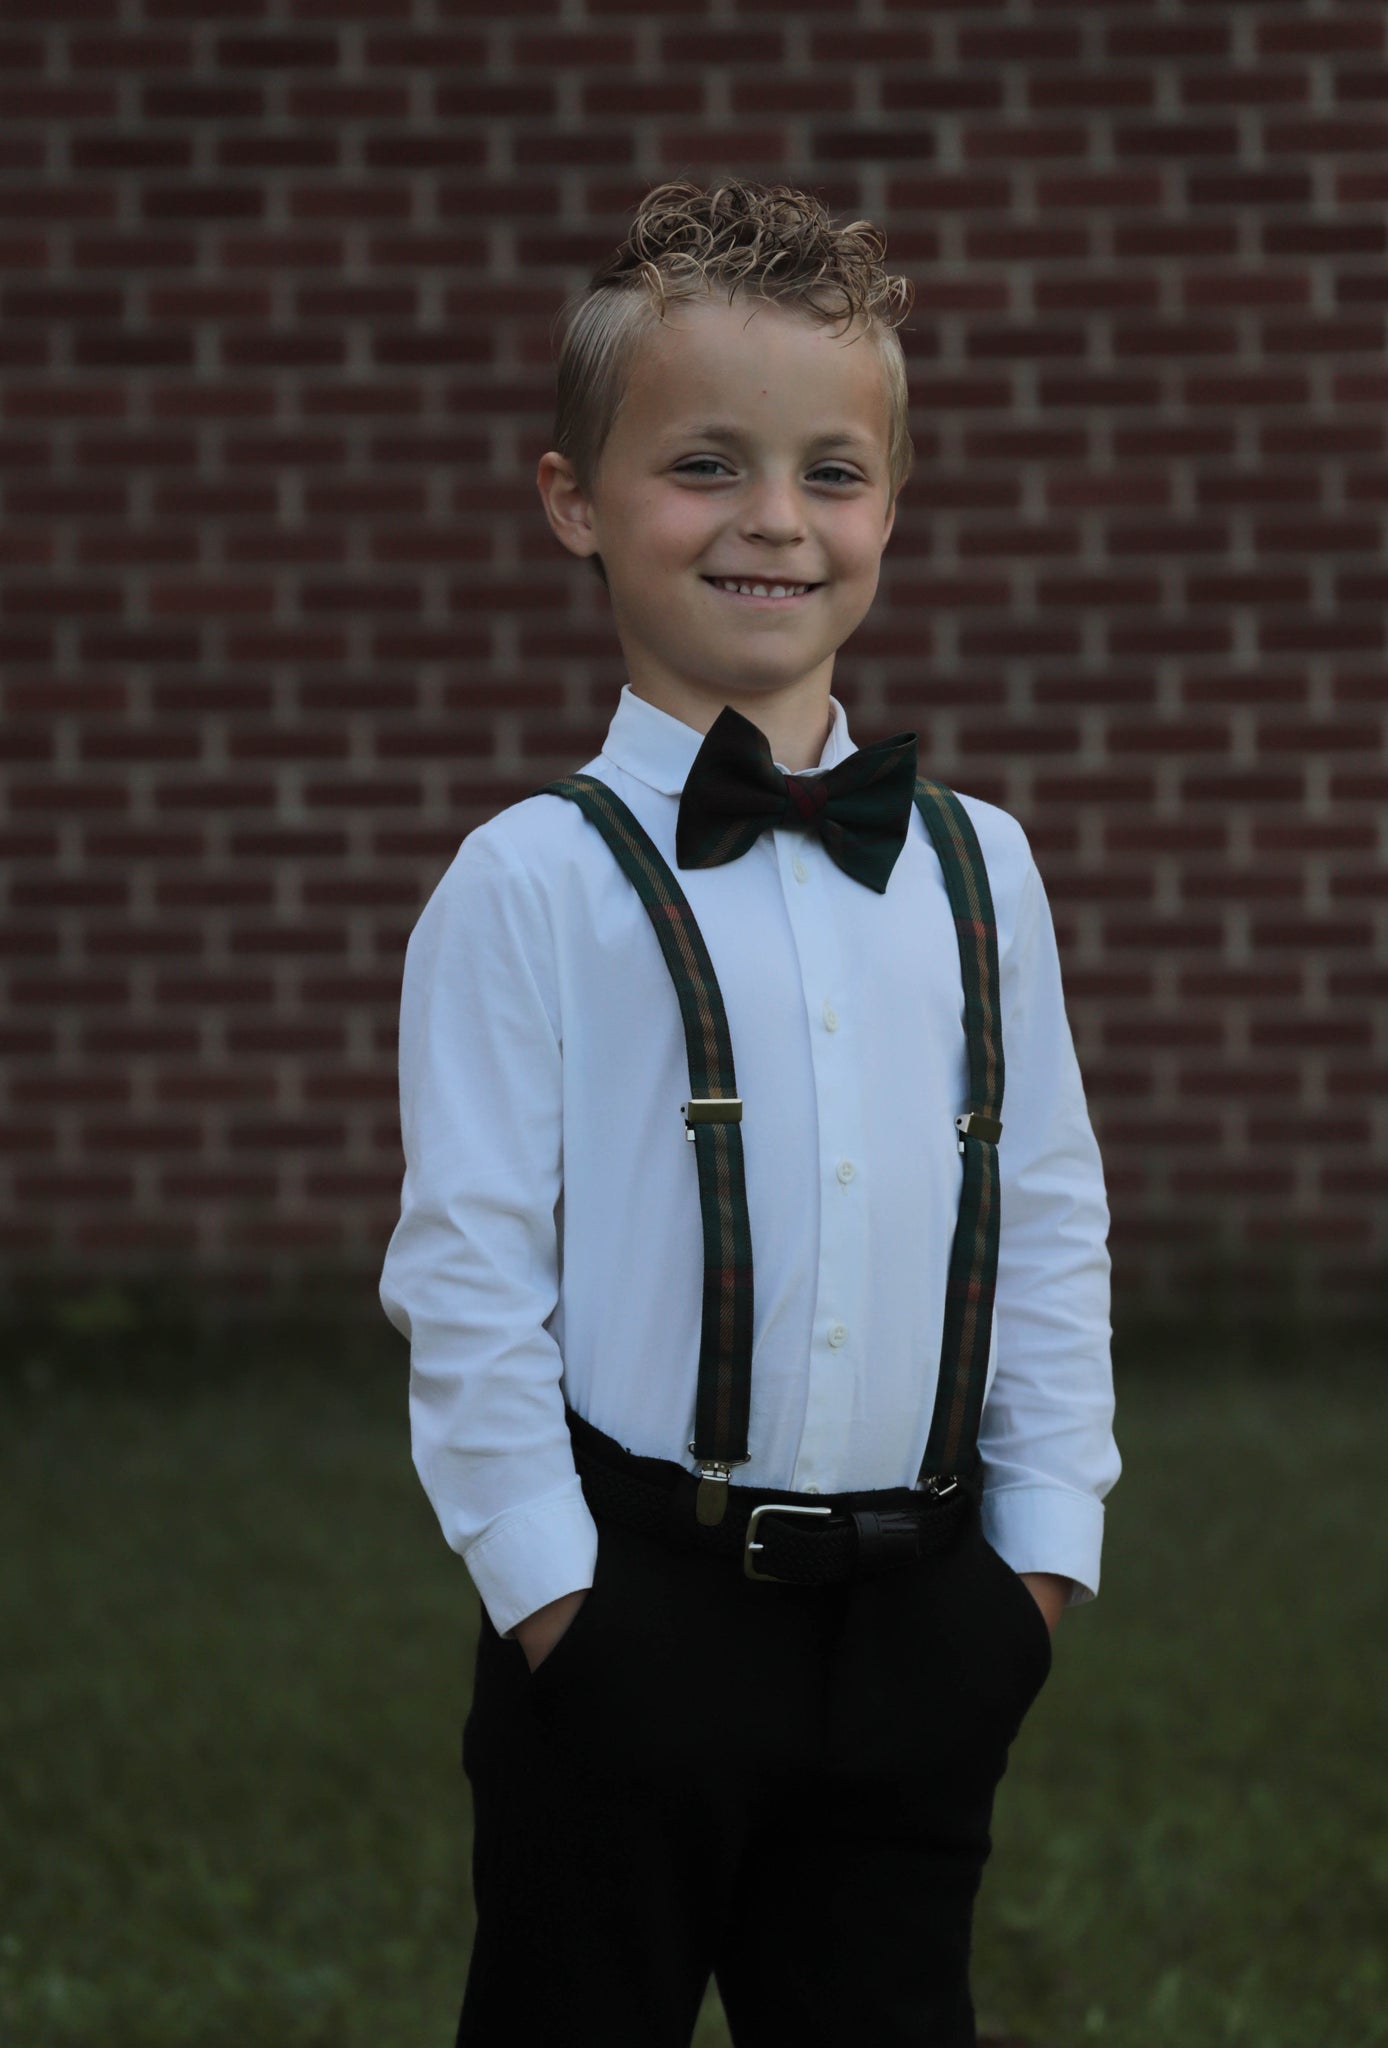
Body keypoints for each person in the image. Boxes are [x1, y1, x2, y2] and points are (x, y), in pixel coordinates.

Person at [379, 175, 1121, 2048]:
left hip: (926, 1622)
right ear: (576, 501)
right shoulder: (529, 882)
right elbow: (469, 1278)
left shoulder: (982, 868)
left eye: (831, 473)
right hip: (628, 1617)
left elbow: (1046, 1213)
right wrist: (555, 1604)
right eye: (704, 465)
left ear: (892, 504)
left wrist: (1037, 1566)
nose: (774, 519)